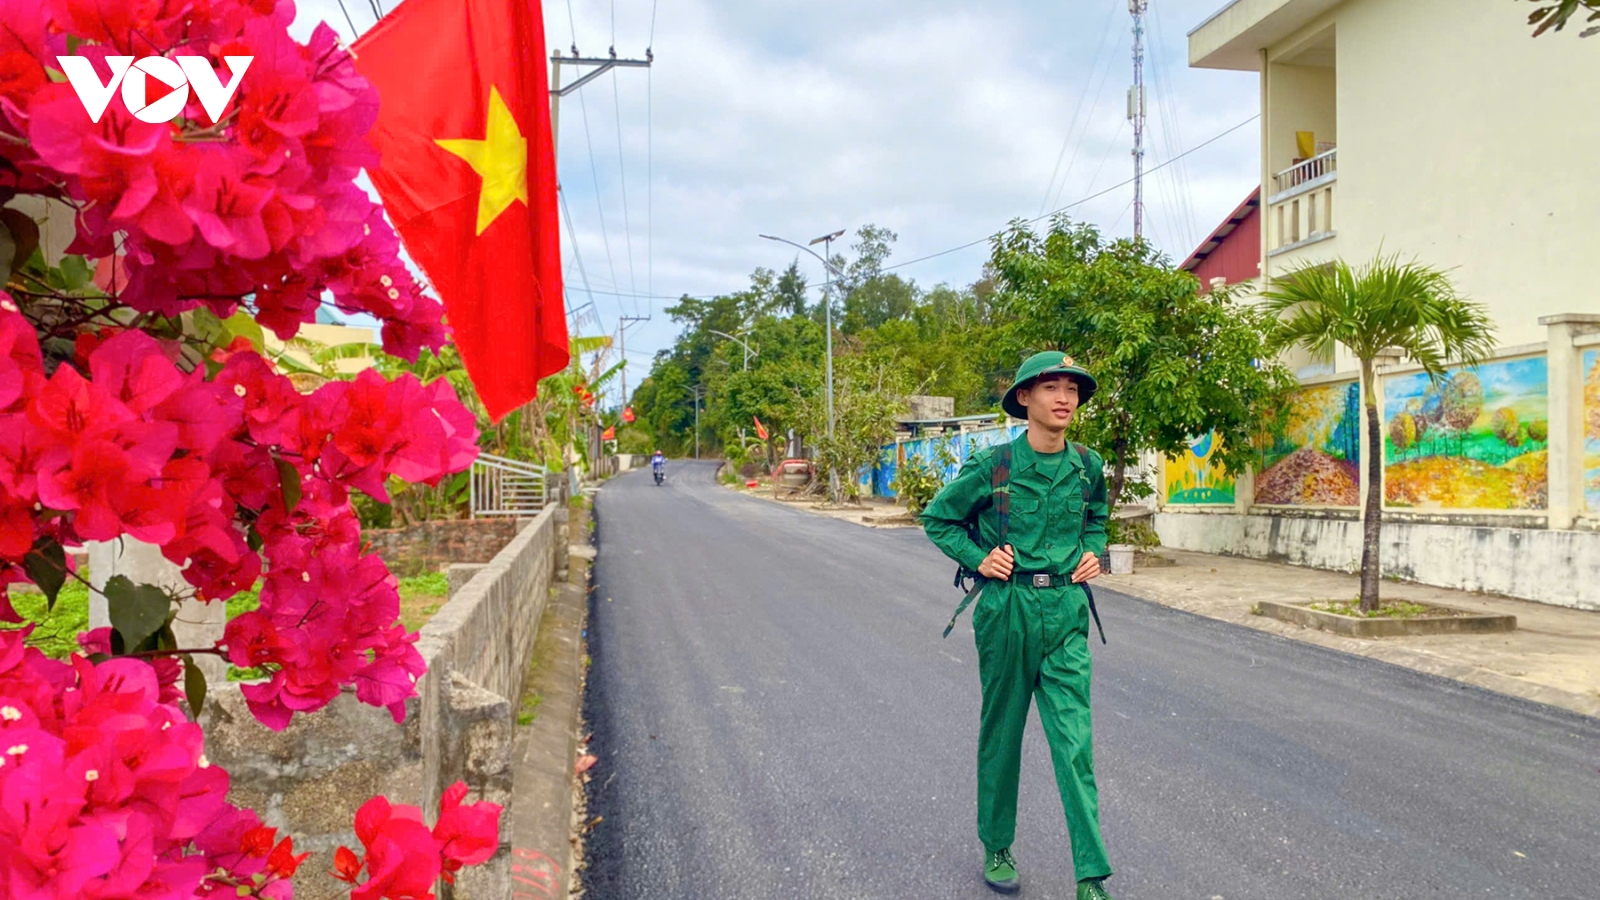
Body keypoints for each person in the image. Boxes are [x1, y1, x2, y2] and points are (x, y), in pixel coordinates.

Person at [920, 351, 1114, 899]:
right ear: (1024, 398)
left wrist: (1095, 552)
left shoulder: (1088, 465)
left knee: (1075, 745)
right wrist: (979, 557)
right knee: (1002, 734)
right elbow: (939, 517)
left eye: (1072, 389)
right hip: (1007, 611)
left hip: (1067, 612)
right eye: (1050, 387)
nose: (1064, 398)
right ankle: (997, 844)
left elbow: (1096, 519)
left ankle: (1091, 875)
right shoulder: (996, 465)